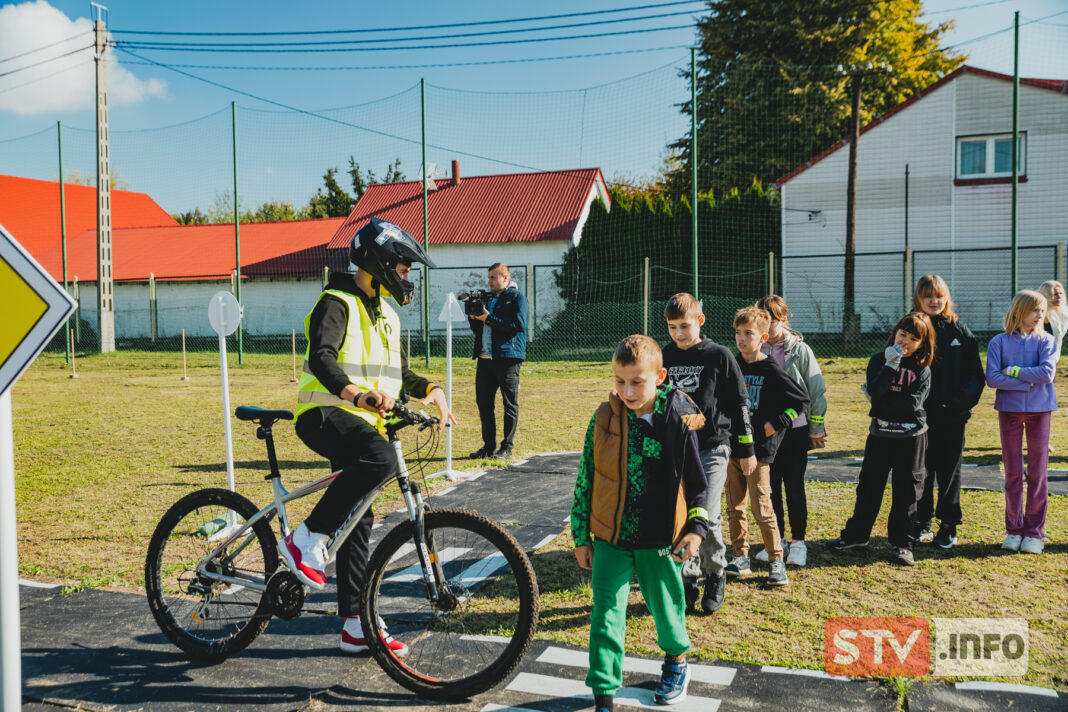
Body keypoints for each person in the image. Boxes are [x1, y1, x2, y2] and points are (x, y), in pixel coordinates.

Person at [283, 217, 456, 655]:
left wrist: (430, 391)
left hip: (363, 421)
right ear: (380, 262)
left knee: (360, 516)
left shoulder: (387, 316)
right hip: (325, 413)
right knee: (378, 460)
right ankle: (306, 539)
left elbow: (398, 373)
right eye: (402, 268)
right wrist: (357, 396)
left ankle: (357, 623)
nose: (406, 276)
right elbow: (321, 359)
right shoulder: (336, 301)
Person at [570, 335, 710, 710]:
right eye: (619, 381)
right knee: (605, 616)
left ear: (660, 376)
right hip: (611, 538)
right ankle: (603, 694)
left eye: (636, 381)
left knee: (666, 609)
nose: (627, 391)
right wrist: (581, 534)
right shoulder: (603, 418)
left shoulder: (678, 419)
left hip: (659, 538)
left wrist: (696, 529)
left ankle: (677, 660)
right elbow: (586, 477)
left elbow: (697, 483)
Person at [661, 292, 754, 615]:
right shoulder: (665, 356)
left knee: (708, 515)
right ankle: (689, 579)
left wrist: (747, 449)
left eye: (684, 326)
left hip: (714, 448)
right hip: (677, 450)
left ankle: (715, 572)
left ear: (700, 321)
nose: (678, 334)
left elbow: (741, 405)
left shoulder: (720, 355)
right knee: (681, 515)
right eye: (672, 327)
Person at [828, 312, 934, 566]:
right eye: (902, 334)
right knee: (868, 487)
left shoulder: (923, 370)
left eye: (913, 338)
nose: (905, 341)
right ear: (894, 334)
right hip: (880, 436)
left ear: (923, 343)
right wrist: (889, 367)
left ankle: (902, 543)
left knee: (907, 490)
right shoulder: (878, 361)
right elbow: (876, 394)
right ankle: (856, 536)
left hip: (911, 438)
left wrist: (885, 402)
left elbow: (912, 403)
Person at [725, 306, 808, 587]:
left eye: (748, 333)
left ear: (763, 337)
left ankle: (776, 561)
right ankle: (740, 556)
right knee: (735, 507)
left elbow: (800, 401)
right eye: (738, 332)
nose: (742, 338)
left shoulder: (771, 368)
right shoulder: (731, 366)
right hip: (732, 450)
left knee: (762, 508)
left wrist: (776, 424)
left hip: (759, 454)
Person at [911, 275, 985, 550]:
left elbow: (976, 377)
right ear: (919, 298)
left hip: (952, 417)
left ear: (946, 298)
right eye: (928, 296)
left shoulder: (960, 332)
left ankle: (948, 524)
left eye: (938, 295)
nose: (934, 301)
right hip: (918, 417)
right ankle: (921, 521)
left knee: (949, 472)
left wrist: (957, 404)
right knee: (920, 470)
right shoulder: (911, 328)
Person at [753, 295, 827, 568]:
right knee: (769, 489)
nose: (764, 325)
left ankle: (798, 543)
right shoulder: (756, 347)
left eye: (769, 320)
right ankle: (778, 540)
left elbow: (816, 391)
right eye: (760, 319)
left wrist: (816, 428)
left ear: (783, 319)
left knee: (794, 487)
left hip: (794, 431)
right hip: (767, 432)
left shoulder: (800, 350)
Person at [986, 290, 1057, 555]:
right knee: (1013, 472)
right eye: (1035, 310)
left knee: (1038, 473)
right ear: (1019, 311)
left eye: (1042, 310)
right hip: (1009, 411)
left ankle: (1034, 533)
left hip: (1041, 411)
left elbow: (1047, 373)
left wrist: (1014, 373)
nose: (1040, 315)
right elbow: (993, 378)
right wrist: (1028, 381)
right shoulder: (998, 342)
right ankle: (1014, 530)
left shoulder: (1047, 341)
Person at [468, 262, 529, 460]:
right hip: (485, 358)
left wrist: (488, 318)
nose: (489, 282)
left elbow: (519, 325)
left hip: (508, 358)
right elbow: (480, 329)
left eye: (493, 277)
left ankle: (507, 447)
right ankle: (488, 446)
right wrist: (473, 316)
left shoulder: (516, 297)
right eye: (489, 278)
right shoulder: (487, 298)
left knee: (509, 403)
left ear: (505, 278)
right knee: (484, 403)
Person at [1037, 280, 1067, 359]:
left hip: (1054, 355)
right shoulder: (1038, 314)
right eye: (1055, 294)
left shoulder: (1063, 312)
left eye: (1061, 293)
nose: (1059, 296)